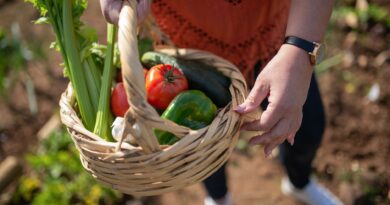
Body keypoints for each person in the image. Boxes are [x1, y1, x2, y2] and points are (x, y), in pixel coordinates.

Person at [100, 0, 344, 205]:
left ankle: (299, 182)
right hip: (189, 39)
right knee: (203, 142)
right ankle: (218, 199)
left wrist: (300, 54)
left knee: (309, 129)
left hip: (278, 34)